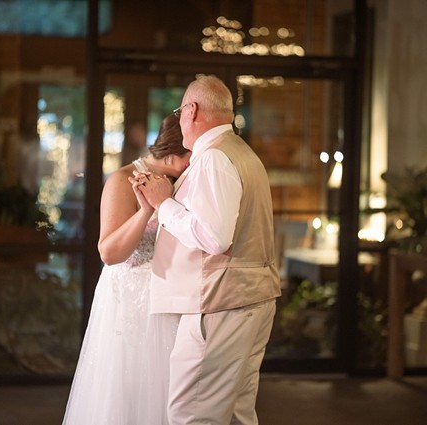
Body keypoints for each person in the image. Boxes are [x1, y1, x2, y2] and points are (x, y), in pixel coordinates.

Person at [133, 74, 281, 425]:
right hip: (250, 299)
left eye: (180, 112)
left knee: (192, 414)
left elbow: (215, 237)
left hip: (220, 304)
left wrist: (164, 204)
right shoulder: (243, 153)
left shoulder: (214, 159)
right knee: (237, 414)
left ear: (191, 111)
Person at [61, 114, 191, 425]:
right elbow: (109, 252)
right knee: (126, 393)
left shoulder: (183, 181)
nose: (195, 163)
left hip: (171, 299)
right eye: (192, 155)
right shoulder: (123, 180)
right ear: (174, 152)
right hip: (131, 301)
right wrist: (146, 209)